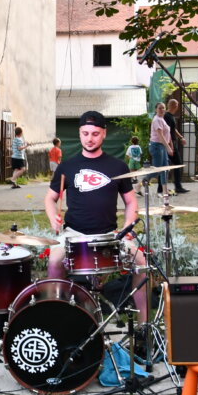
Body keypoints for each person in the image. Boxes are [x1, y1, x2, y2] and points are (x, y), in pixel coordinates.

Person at [46, 111, 149, 320]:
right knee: (54, 261)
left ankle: (143, 324)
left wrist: (128, 226)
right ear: (79, 133)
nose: (89, 139)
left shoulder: (118, 166)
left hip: (110, 234)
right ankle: (56, 318)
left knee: (140, 261)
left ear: (104, 134)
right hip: (74, 234)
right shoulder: (67, 166)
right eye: (85, 133)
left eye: (95, 133)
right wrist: (53, 218)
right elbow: (50, 198)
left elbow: (131, 202)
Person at [146, 102, 173, 193]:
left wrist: (169, 145)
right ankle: (139, 185)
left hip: (162, 146)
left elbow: (167, 134)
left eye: (163, 108)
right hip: (157, 146)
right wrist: (168, 147)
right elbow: (160, 136)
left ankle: (165, 191)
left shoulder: (161, 119)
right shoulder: (157, 120)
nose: (162, 110)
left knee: (165, 169)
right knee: (156, 170)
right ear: (156, 109)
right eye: (160, 108)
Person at [165, 99, 189, 194]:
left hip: (171, 143)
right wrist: (170, 145)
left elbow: (173, 129)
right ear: (174, 106)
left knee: (169, 165)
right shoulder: (167, 116)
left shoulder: (170, 116)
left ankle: (175, 186)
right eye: (177, 106)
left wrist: (181, 137)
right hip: (170, 144)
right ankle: (177, 186)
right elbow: (167, 131)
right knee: (176, 164)